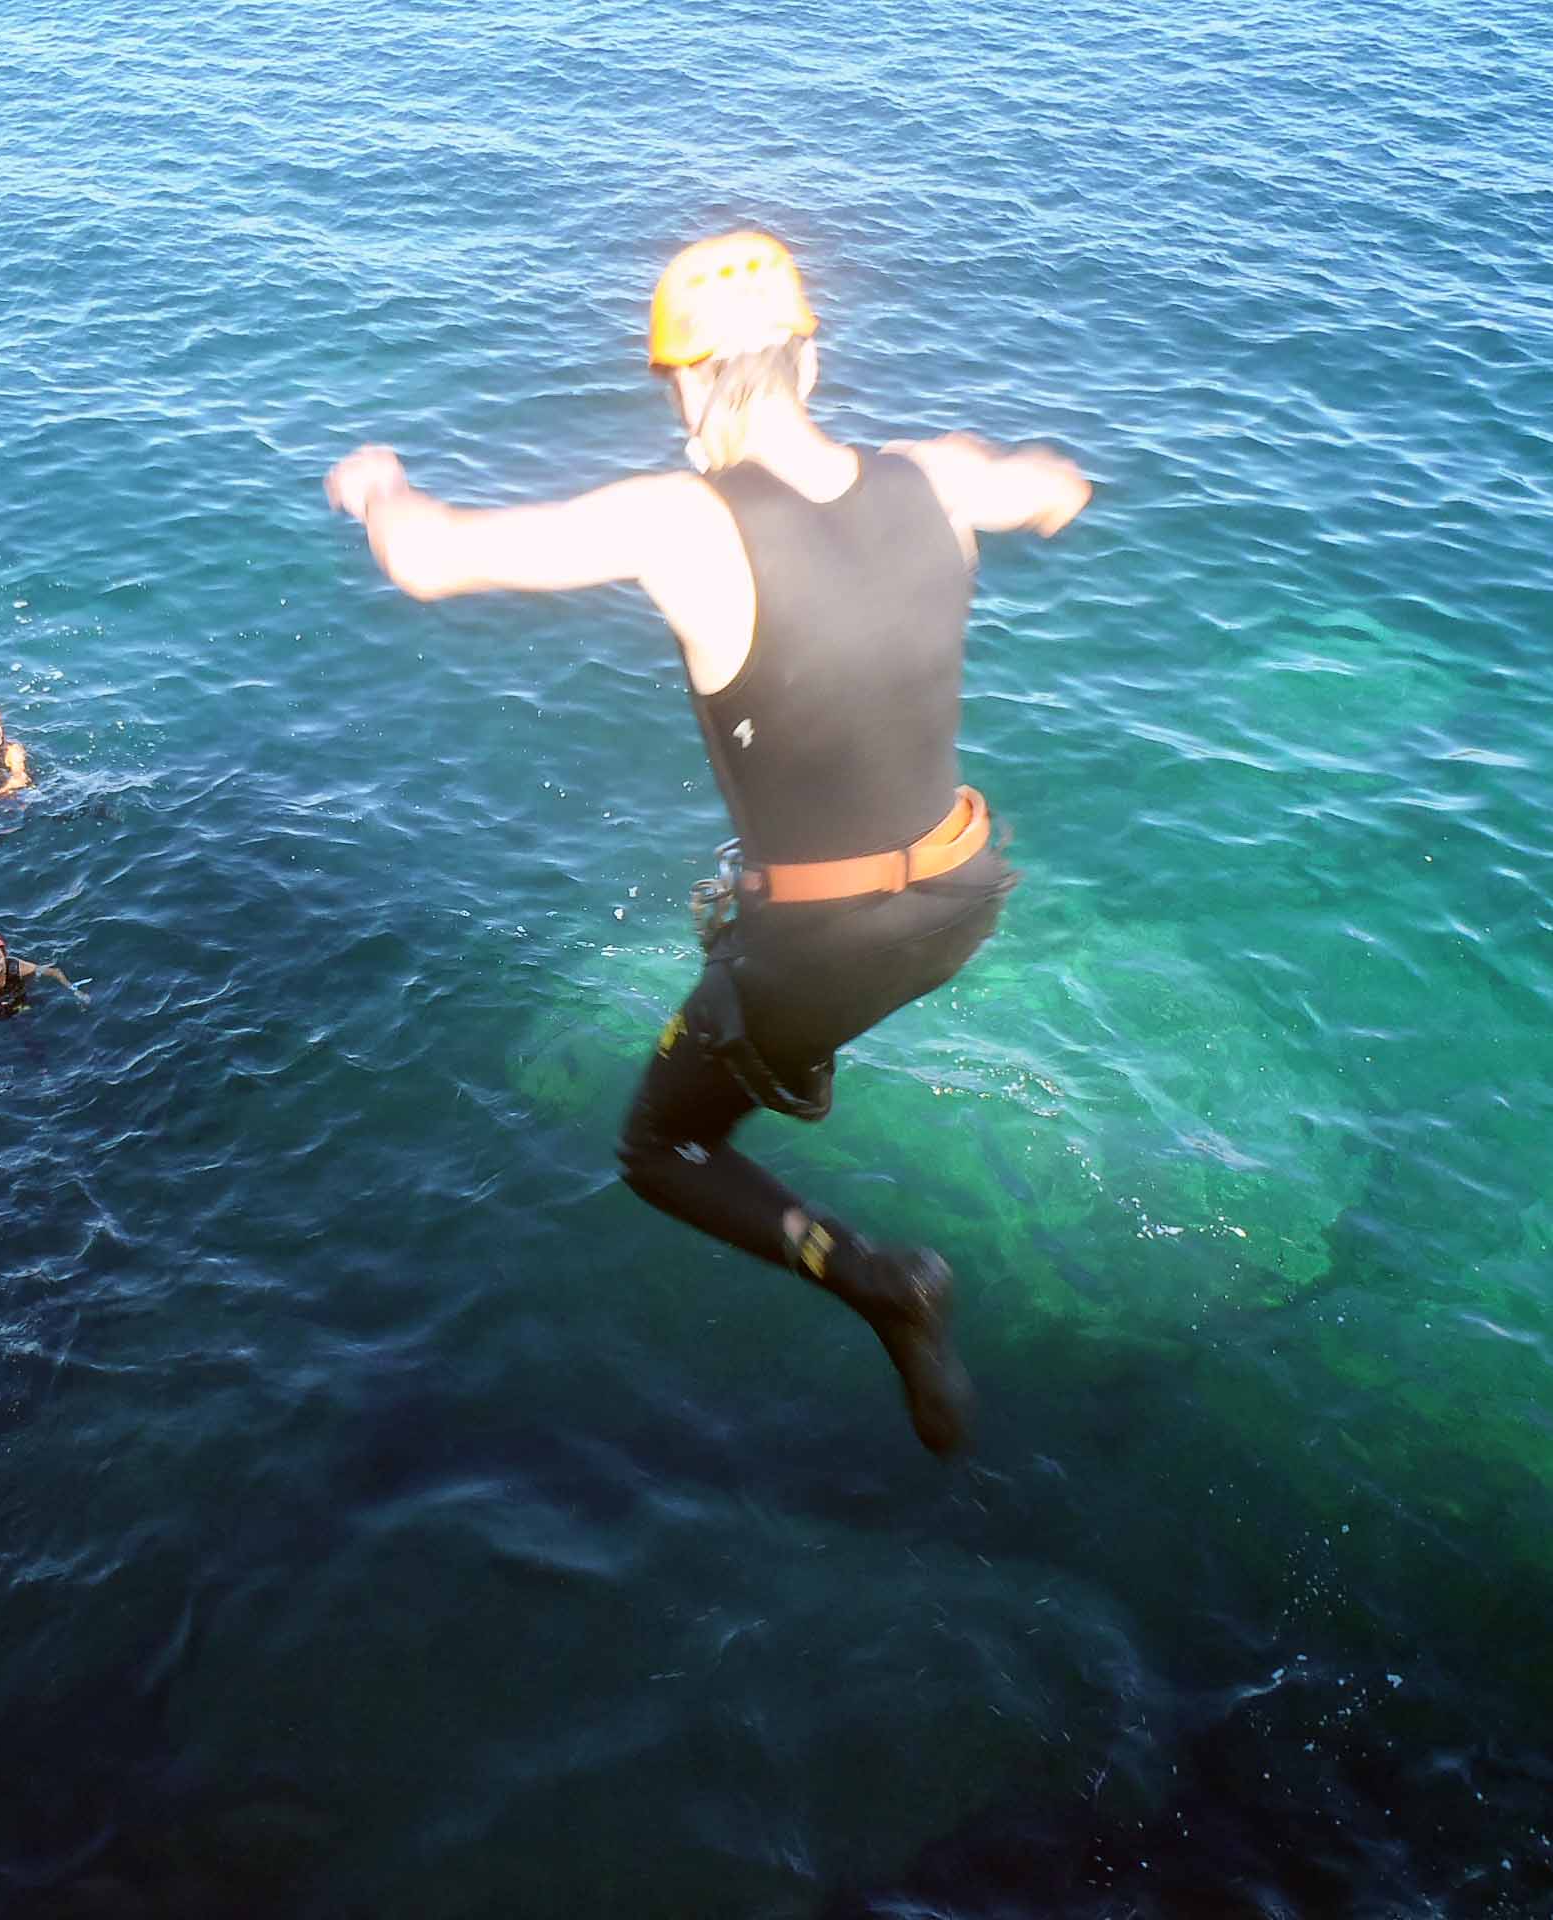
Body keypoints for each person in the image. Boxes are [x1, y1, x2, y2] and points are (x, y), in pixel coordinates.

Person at [323, 230, 1091, 1456]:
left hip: (831, 947)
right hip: (962, 895)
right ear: (810, 357)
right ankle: (789, 1045)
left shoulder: (682, 521)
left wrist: (377, 486)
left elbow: (429, 562)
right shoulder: (932, 476)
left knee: (660, 1143)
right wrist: (1023, 481)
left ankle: (881, 1282)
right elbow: (1053, 484)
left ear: (686, 383)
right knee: (736, 905)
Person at [0, 928, 84, 1032]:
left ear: (4, 955)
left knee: (25, 1027)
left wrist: (75, 990)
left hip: (17, 998)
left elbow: (54, 972)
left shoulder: (17, 967)